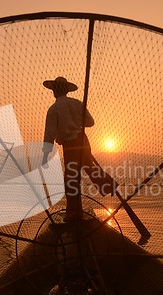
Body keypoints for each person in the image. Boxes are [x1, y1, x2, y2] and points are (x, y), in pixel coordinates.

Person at [41, 77, 118, 222]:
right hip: (83, 141)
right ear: (66, 91)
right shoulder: (77, 103)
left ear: (54, 92)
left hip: (70, 145)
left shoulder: (54, 109)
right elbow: (90, 122)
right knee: (88, 166)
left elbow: (49, 134)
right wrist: (76, 120)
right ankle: (110, 185)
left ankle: (74, 213)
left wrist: (45, 157)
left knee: (71, 179)